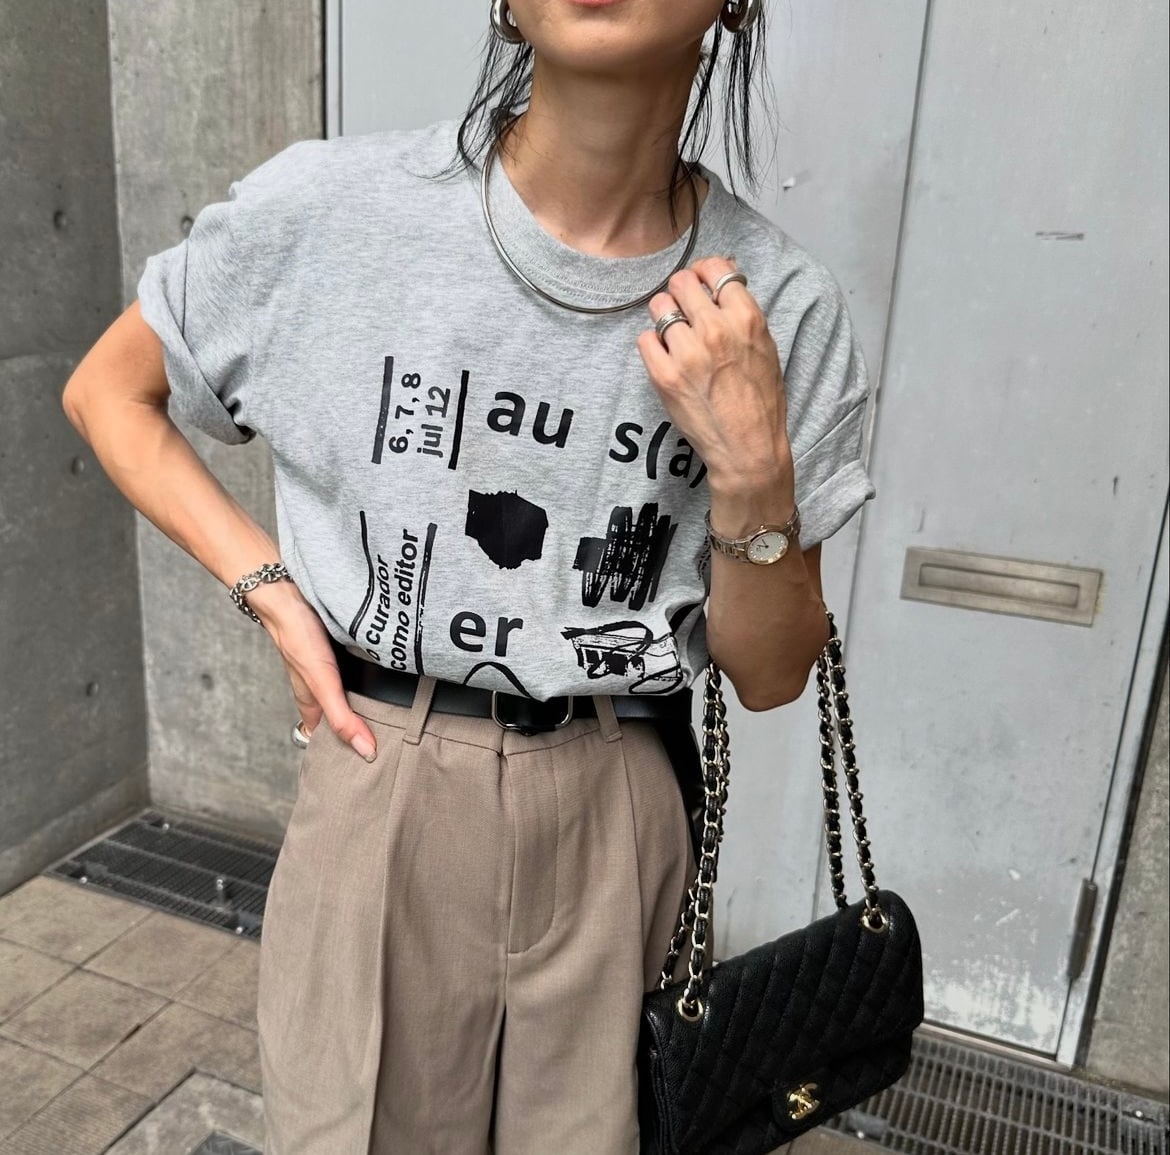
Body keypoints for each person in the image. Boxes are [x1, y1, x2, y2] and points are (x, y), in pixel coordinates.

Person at [61, 0, 876, 1150]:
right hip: (385, 772)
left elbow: (774, 672)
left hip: (618, 797)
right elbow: (109, 389)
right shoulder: (334, 209)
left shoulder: (780, 307)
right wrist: (270, 591)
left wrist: (753, 470)